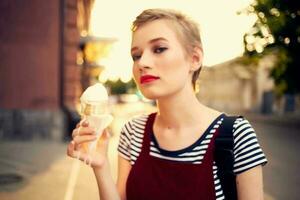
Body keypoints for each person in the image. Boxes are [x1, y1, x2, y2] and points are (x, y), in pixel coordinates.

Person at [67, 8, 267, 200]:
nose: (142, 62)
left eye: (159, 49)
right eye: (136, 55)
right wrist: (100, 166)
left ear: (194, 59)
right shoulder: (133, 132)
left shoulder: (236, 135)